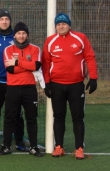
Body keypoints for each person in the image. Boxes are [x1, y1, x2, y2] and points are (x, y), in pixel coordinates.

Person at [42, 13, 98, 159]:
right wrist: (46, 82)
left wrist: (93, 78)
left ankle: (79, 148)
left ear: (69, 25)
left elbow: (90, 57)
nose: (61, 26)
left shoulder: (80, 38)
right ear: (56, 26)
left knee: (78, 117)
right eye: (58, 24)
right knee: (58, 116)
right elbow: (46, 63)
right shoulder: (50, 41)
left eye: (64, 24)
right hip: (57, 85)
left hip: (76, 85)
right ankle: (58, 146)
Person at [0, 22, 45, 157]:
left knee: (31, 118)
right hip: (13, 88)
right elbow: (10, 69)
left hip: (29, 88)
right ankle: (6, 145)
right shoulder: (8, 50)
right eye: (19, 33)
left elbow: (36, 66)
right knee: (9, 117)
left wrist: (18, 62)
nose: (21, 36)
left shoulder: (35, 49)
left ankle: (33, 146)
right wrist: (27, 65)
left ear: (27, 35)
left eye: (24, 33)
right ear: (15, 35)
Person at [0, 9, 26, 152]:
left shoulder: (17, 36)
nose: (4, 21)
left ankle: (19, 141)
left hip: (14, 83)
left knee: (16, 114)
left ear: (10, 21)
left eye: (6, 19)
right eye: (1, 19)